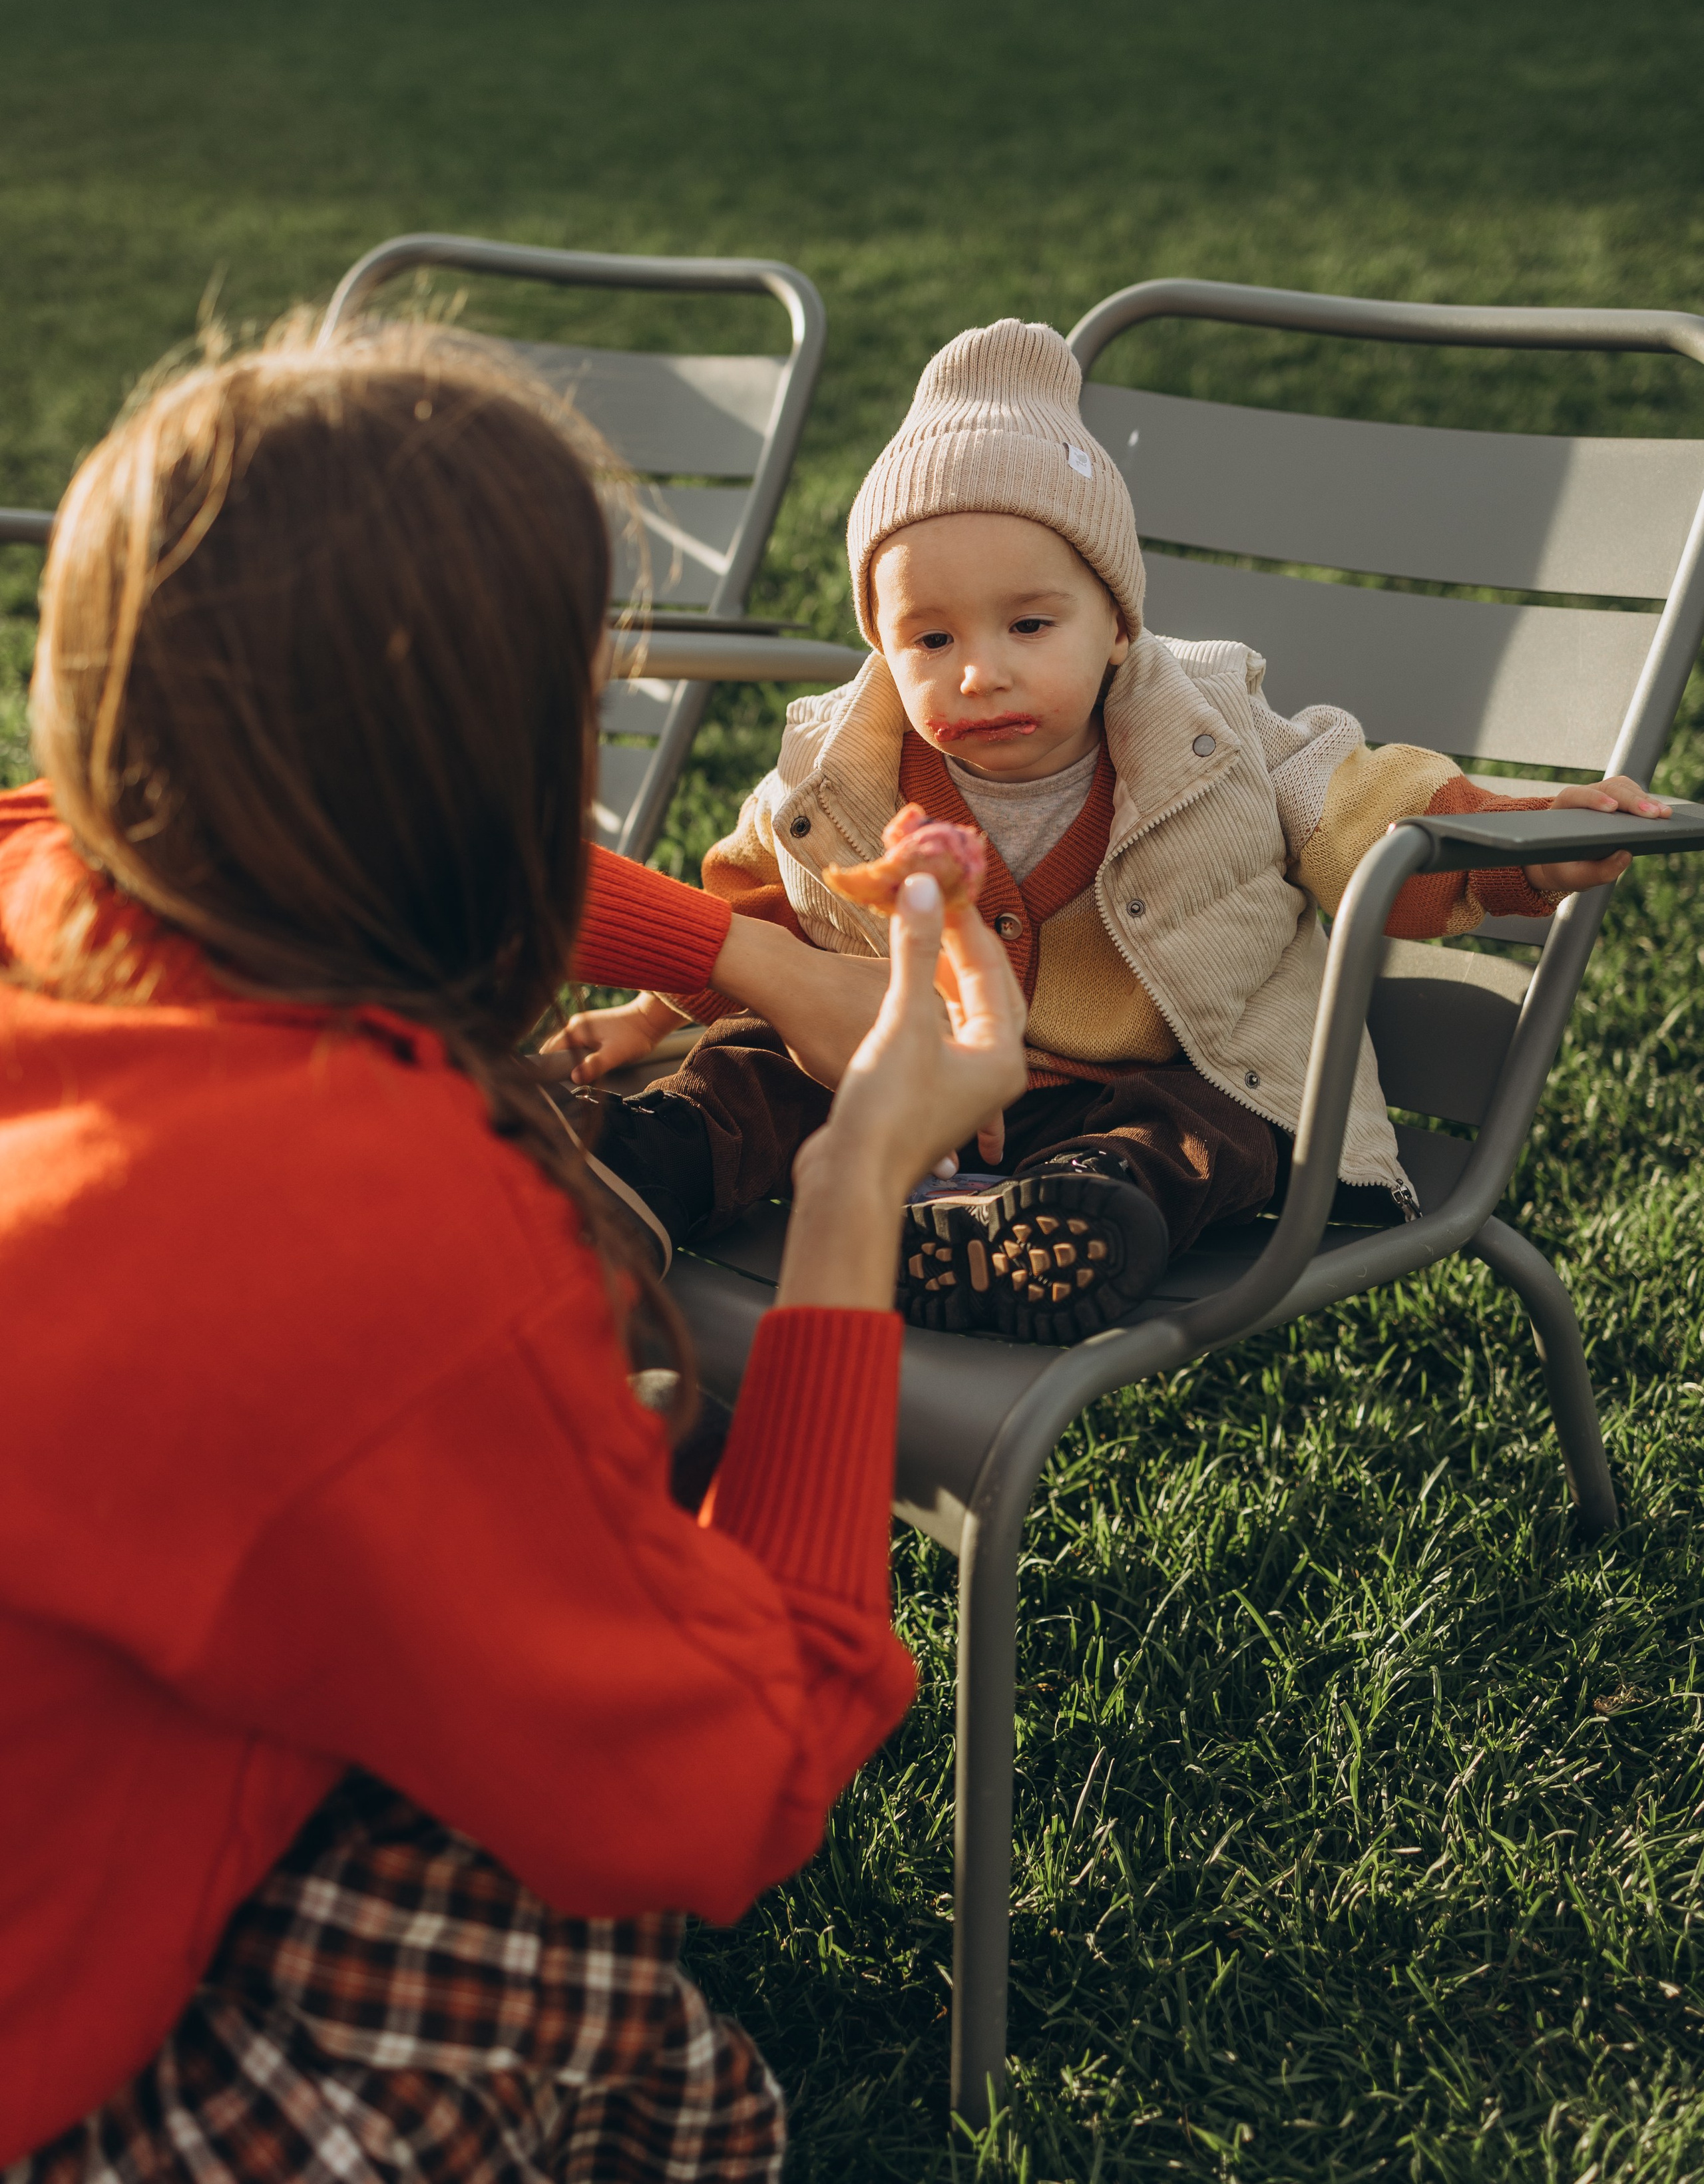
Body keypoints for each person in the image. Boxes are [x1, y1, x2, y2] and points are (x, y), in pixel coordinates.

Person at [0, 323, 1026, 2178]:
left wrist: (747, 960)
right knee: (542, 1944)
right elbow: (733, 1781)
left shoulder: (37, 888)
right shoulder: (373, 1231)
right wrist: (861, 1173)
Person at [561, 318, 1669, 1345]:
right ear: (882, 646)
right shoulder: (840, 767)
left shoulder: (1216, 726)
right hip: (907, 1080)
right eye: (930, 638)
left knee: (1209, 1131)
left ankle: (1057, 1230)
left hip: (1154, 1074)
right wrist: (652, 1009)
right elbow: (755, 908)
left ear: (1115, 624)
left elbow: (1362, 809)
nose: (979, 669)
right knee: (752, 1069)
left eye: (1030, 623)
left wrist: (1532, 843)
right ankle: (625, 1169)